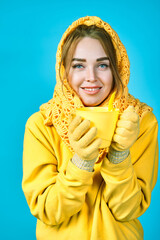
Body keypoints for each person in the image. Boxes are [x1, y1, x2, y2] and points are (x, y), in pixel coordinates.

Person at [22, 16, 158, 240]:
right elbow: (48, 210)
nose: (91, 78)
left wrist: (119, 155)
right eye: (78, 65)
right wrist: (81, 162)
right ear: (64, 70)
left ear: (117, 69)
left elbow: (129, 210)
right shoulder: (41, 124)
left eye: (102, 65)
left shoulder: (140, 122)